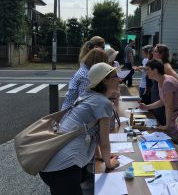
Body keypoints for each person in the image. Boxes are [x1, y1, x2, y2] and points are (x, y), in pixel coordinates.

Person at [39, 62, 120, 195]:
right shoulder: (103, 103)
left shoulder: (88, 96)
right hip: (64, 168)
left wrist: (100, 157)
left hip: (53, 164)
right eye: (115, 76)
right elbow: (104, 142)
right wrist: (109, 164)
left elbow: (95, 134)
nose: (119, 79)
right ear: (105, 80)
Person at [139, 59, 178, 145]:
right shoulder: (160, 81)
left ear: (155, 70)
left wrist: (167, 125)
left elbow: (169, 106)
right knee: (175, 139)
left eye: (148, 69)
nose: (146, 72)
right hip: (177, 112)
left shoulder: (167, 82)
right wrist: (147, 107)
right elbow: (163, 101)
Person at [151, 44, 178, 125]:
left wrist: (168, 92)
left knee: (161, 123)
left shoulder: (165, 66)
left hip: (162, 102)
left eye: (155, 51)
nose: (153, 52)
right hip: (157, 98)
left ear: (162, 54)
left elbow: (177, 79)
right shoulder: (159, 64)